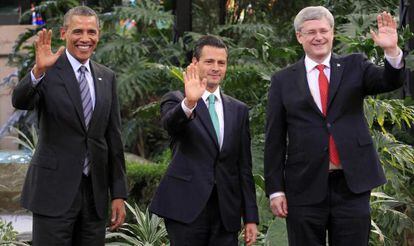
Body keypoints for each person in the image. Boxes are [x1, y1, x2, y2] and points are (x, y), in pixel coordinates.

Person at [264, 6, 404, 245]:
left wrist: (391, 51)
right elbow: (274, 139)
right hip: (304, 185)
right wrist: (276, 190)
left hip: (352, 184)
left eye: (323, 30)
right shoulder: (282, 80)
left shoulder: (355, 65)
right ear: (299, 36)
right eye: (310, 32)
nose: (318, 37)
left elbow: (388, 81)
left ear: (332, 32)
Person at [12, 6, 127, 246]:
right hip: (53, 193)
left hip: (94, 197)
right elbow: (20, 101)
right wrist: (38, 71)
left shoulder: (107, 77)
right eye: (78, 31)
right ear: (64, 33)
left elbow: (113, 139)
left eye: (91, 32)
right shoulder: (48, 69)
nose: (85, 38)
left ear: (98, 35)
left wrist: (118, 193)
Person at [149, 35, 259, 246]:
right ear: (195, 63)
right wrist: (190, 102)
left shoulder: (238, 110)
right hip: (185, 209)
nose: (216, 68)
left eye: (221, 63)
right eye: (209, 62)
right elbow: (170, 126)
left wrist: (251, 217)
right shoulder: (176, 99)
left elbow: (244, 167)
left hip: (226, 212)